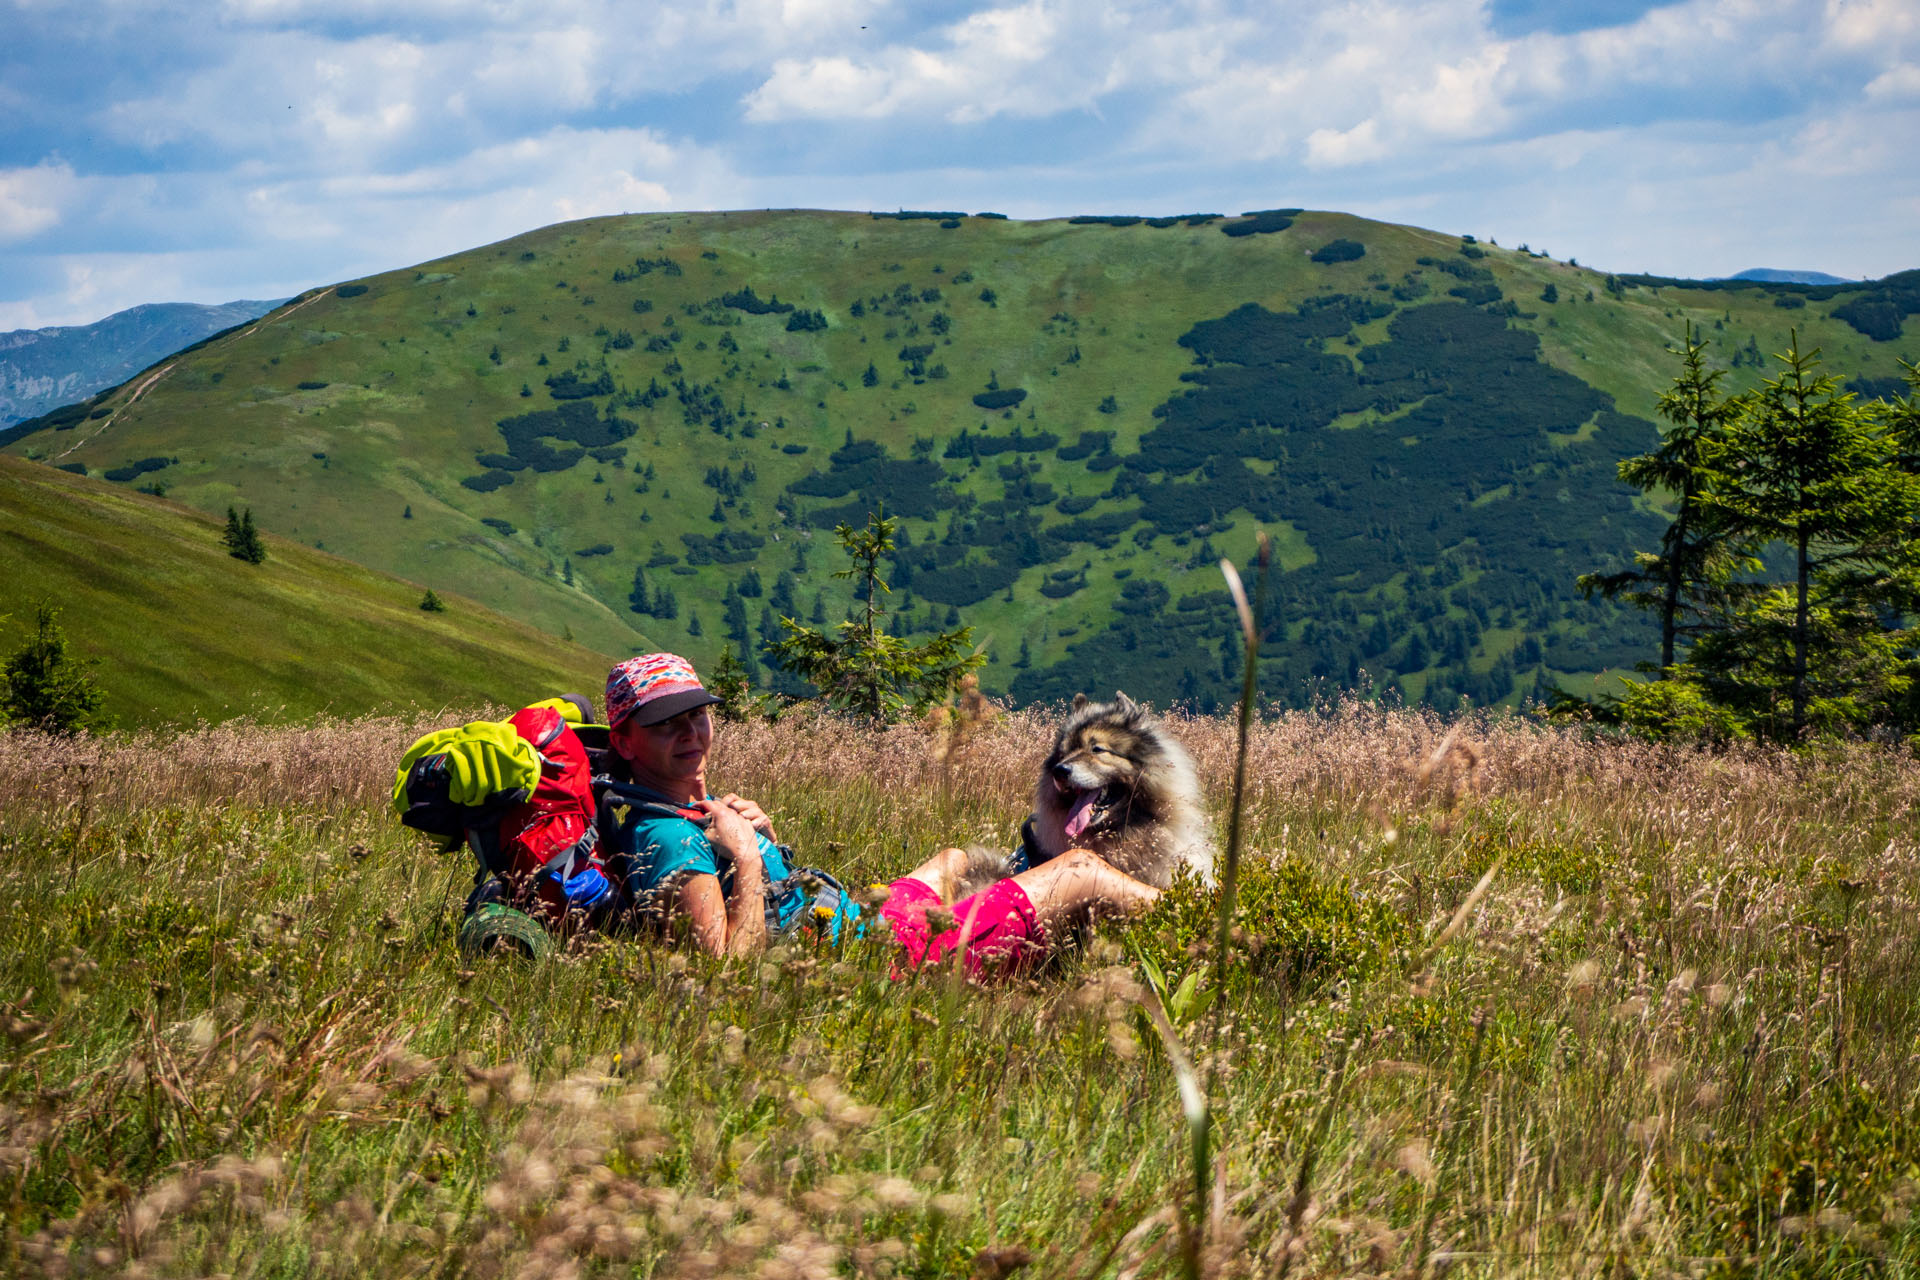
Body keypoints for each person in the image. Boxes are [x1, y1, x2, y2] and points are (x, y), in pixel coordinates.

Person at [602, 652, 829, 956]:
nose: (689, 733)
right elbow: (725, 964)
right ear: (624, 744)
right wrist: (747, 855)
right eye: (666, 722)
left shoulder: (703, 809)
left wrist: (767, 842)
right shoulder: (670, 838)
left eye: (696, 714)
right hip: (854, 945)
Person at [875, 844, 1162, 980]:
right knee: (1082, 868)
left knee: (953, 858)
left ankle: (1012, 896)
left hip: (876, 918)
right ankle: (1195, 914)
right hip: (896, 953)